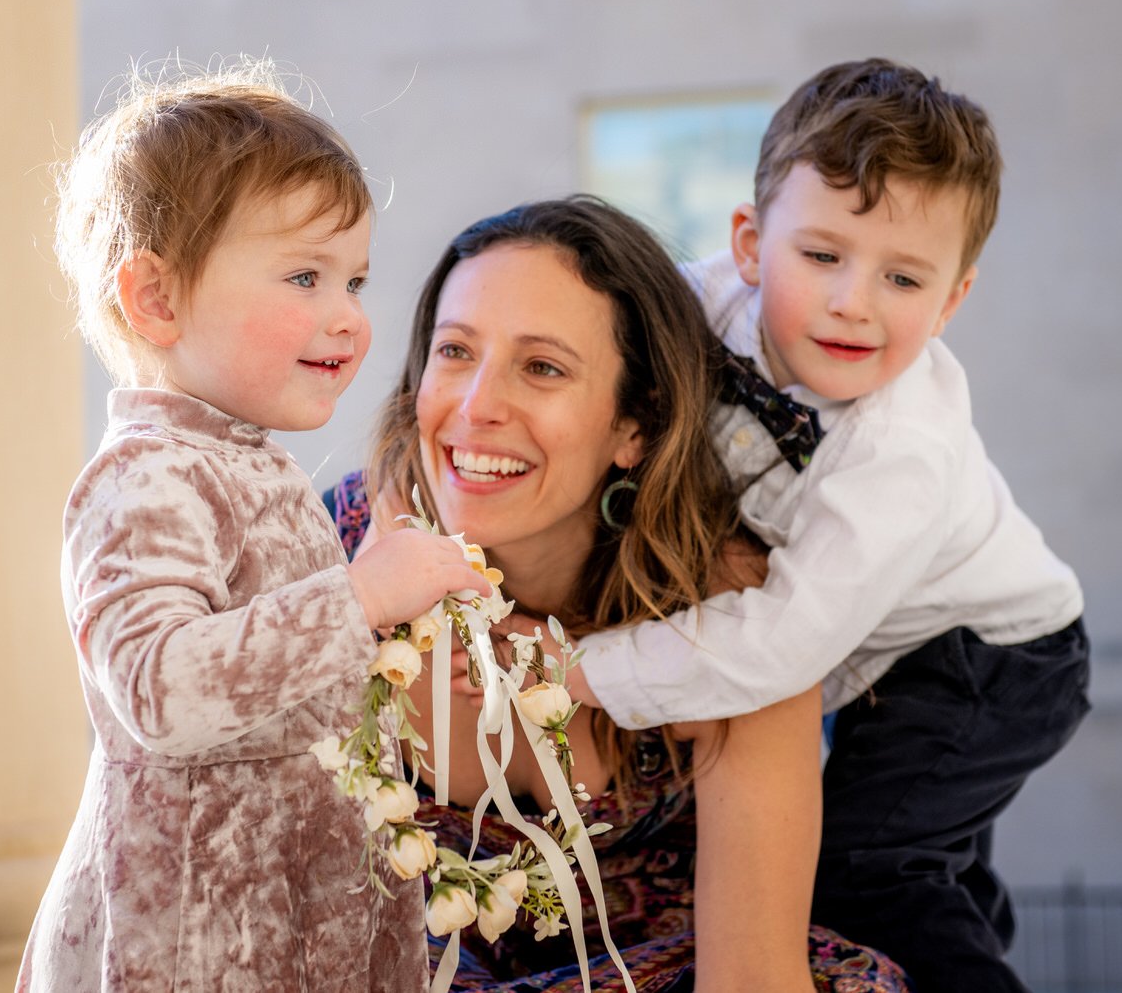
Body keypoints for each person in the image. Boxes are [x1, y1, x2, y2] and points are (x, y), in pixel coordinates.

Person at [559, 58, 1091, 991]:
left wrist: (586, 673)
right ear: (750, 244)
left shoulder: (903, 452)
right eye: (822, 256)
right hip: (901, 646)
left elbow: (782, 644)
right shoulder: (698, 302)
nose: (855, 300)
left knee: (864, 868)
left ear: (953, 299)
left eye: (902, 277)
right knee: (932, 857)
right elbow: (598, 333)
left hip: (990, 655)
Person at [330, 195, 910, 992]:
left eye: (543, 367)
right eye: (456, 351)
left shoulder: (737, 617)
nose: (477, 406)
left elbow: (752, 973)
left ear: (633, 427)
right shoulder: (333, 556)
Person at [17, 63, 491, 992]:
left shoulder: (248, 461)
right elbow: (157, 687)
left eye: (353, 280)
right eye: (305, 276)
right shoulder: (144, 475)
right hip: (197, 933)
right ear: (155, 298)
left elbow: (291, 685)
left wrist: (407, 649)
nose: (347, 317)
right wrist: (361, 594)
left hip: (296, 916)